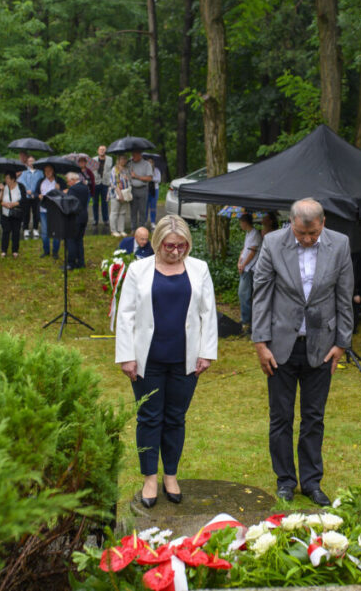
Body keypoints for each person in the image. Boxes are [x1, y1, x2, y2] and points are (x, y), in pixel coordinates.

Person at [251, 198, 354, 506]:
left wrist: (342, 343)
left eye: (312, 234)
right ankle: (285, 481)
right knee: (280, 417)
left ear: (322, 223)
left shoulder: (340, 244)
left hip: (321, 346)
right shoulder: (271, 243)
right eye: (301, 234)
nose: (307, 239)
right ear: (291, 224)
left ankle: (311, 482)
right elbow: (261, 295)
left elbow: (344, 294)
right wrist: (260, 344)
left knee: (314, 417)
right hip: (280, 346)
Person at [116, 214, 217, 507]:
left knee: (175, 418)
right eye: (170, 247)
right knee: (149, 417)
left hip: (185, 360)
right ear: (158, 243)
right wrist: (126, 357)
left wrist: (206, 353)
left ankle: (170, 475)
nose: (176, 252)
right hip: (148, 359)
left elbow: (208, 314)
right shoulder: (139, 270)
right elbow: (126, 315)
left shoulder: (199, 269)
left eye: (182, 247)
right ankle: (149, 477)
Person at [237, 213, 261, 335]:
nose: (240, 225)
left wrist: (244, 264)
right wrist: (239, 261)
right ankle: (245, 320)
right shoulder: (248, 234)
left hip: (249, 269)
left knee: (244, 294)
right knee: (243, 294)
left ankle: (247, 322)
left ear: (245, 222)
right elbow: (244, 249)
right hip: (244, 268)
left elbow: (252, 252)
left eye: (241, 222)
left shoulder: (255, 234)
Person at [36, 164, 66, 258]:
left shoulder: (59, 181)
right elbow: (36, 192)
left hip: (56, 210)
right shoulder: (41, 181)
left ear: (53, 171)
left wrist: (59, 190)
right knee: (44, 232)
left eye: (49, 170)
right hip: (43, 210)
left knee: (56, 232)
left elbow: (65, 193)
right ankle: (46, 251)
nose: (47, 173)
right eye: (45, 171)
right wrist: (39, 195)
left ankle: (55, 252)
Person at [0, 171, 27, 258]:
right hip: (5, 213)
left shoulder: (20, 187)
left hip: (16, 213)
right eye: (5, 178)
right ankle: (4, 250)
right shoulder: (3, 186)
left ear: (13, 179)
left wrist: (14, 204)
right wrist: (4, 202)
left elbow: (24, 200)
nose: (6, 180)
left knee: (16, 232)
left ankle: (15, 250)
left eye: (7, 178)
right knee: (5, 231)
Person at [65, 171, 89, 270]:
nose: (67, 183)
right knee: (79, 240)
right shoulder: (85, 187)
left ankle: (71, 263)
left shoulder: (73, 189)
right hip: (83, 216)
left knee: (71, 240)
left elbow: (69, 203)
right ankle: (81, 262)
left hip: (74, 217)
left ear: (73, 180)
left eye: (68, 181)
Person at [18, 155, 44, 239]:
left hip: (36, 196)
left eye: (33, 161)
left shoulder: (40, 172)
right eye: (29, 161)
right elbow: (21, 182)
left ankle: (35, 228)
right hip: (26, 196)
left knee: (36, 213)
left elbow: (41, 182)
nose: (31, 162)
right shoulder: (24, 172)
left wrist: (35, 192)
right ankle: (25, 229)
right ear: (27, 162)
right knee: (26, 213)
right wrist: (27, 190)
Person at [127, 150, 153, 230]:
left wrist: (137, 176)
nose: (132, 156)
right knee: (133, 210)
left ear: (139, 155)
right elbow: (126, 174)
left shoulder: (146, 164)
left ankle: (142, 228)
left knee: (142, 210)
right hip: (132, 189)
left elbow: (149, 178)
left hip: (143, 189)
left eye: (134, 154)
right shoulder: (130, 163)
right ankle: (133, 228)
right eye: (132, 154)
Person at [109, 154, 132, 237]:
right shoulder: (114, 169)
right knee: (114, 212)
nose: (124, 161)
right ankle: (113, 230)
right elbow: (113, 183)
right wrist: (120, 194)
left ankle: (121, 229)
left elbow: (129, 180)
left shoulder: (126, 169)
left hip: (125, 193)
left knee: (123, 212)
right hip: (116, 194)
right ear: (118, 160)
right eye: (122, 159)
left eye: (125, 159)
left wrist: (127, 178)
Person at [77, 156, 97, 228]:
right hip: (77, 193)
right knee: (77, 208)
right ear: (78, 163)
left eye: (83, 161)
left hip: (86, 192)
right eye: (80, 162)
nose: (82, 163)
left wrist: (88, 182)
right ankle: (77, 222)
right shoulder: (76, 171)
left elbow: (92, 182)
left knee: (84, 209)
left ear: (86, 163)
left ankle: (84, 223)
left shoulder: (89, 171)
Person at [97, 144, 113, 227]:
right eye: (100, 149)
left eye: (103, 149)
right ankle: (95, 220)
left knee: (105, 202)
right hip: (96, 182)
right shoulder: (93, 159)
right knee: (95, 203)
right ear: (98, 151)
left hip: (105, 183)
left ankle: (106, 219)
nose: (102, 151)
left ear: (105, 151)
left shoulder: (110, 159)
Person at [147, 157, 162, 226]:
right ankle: (145, 221)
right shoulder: (145, 170)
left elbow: (158, 180)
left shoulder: (156, 170)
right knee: (145, 206)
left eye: (151, 162)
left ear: (153, 163)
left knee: (153, 206)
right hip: (146, 189)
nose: (150, 163)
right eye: (148, 162)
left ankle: (153, 222)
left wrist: (151, 178)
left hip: (155, 189)